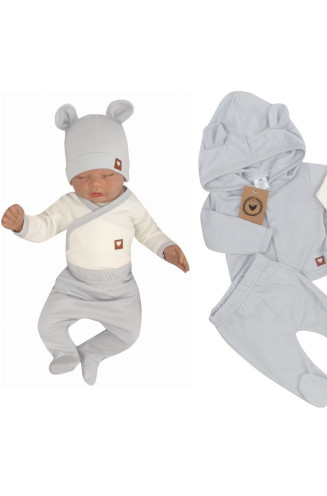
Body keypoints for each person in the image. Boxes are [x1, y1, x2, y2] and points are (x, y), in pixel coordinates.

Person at [1, 100, 189, 385]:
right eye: (83, 176)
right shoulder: (70, 204)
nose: (95, 184)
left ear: (123, 172)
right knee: (46, 324)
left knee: (130, 333)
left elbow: (150, 231)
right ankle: (64, 352)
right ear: (71, 179)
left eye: (107, 175)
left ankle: (92, 353)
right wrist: (23, 223)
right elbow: (45, 225)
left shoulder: (130, 205)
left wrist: (167, 248)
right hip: (74, 285)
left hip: (119, 289)